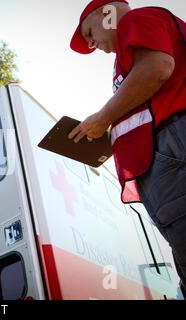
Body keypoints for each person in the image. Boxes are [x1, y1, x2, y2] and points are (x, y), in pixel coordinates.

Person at [67, 1, 186, 295]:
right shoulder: (128, 46)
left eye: (89, 32)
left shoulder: (137, 19)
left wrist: (103, 117)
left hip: (172, 146)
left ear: (106, 12)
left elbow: (158, 67)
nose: (91, 43)